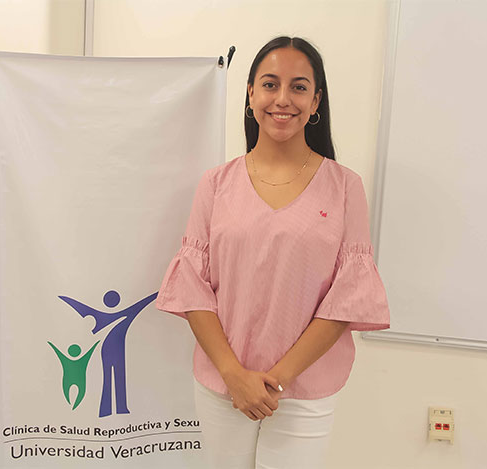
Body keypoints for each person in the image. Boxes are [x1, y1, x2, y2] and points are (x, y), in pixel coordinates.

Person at [155, 36, 390, 469]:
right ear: (250, 94)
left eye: (299, 87)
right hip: (223, 384)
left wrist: (275, 381)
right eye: (270, 84)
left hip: (305, 389)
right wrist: (233, 375)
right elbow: (193, 289)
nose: (283, 99)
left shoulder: (345, 187)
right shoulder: (215, 184)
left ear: (316, 100)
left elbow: (346, 300)